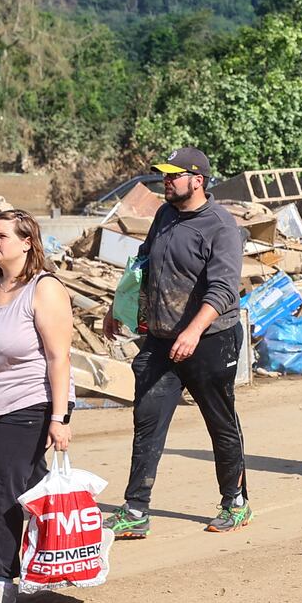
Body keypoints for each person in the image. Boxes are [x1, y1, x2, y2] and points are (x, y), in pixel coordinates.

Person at [101, 148, 251, 538]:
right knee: (147, 422)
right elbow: (144, 261)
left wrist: (193, 331)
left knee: (220, 423)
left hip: (210, 342)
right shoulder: (165, 215)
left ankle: (234, 503)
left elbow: (222, 290)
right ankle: (135, 509)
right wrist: (120, 306)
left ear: (197, 179)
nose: (165, 181)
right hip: (161, 339)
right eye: (164, 176)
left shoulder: (221, 226)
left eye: (173, 176)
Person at [0, 211, 75, 603]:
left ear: (27, 242)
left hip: (34, 402)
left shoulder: (44, 289)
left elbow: (59, 356)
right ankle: (46, 564)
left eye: (1, 236)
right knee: (31, 488)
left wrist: (59, 418)